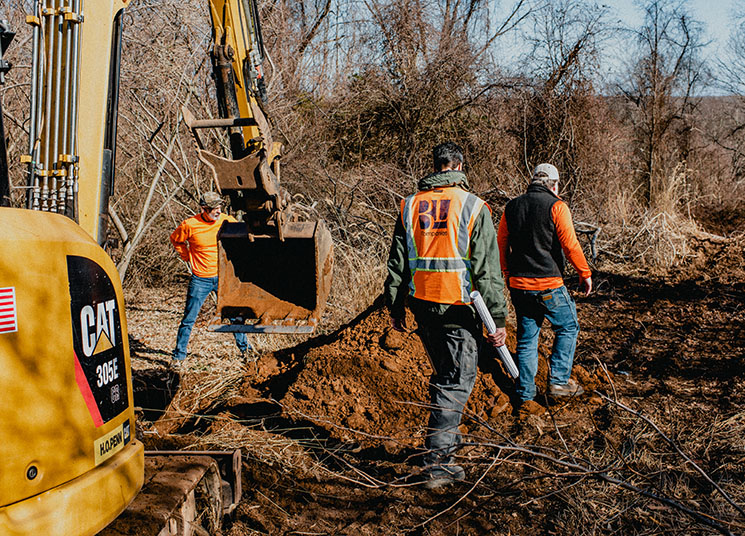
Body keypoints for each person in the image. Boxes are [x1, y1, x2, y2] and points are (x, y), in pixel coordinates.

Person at [385, 142, 508, 489]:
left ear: (436, 166)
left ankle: (446, 453)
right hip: (457, 309)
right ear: (457, 166)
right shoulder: (473, 206)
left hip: (423, 308)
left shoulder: (409, 205)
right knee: (454, 382)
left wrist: (395, 308)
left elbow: (397, 263)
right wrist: (496, 320)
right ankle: (438, 464)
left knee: (446, 376)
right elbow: (487, 270)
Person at [497, 163, 592, 407]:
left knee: (527, 340)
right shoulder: (557, 206)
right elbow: (570, 245)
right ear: (554, 185)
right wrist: (584, 272)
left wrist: (507, 272)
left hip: (519, 285)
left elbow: (501, 243)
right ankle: (559, 381)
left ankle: (526, 396)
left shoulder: (511, 206)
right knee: (568, 327)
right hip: (549, 284)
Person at [170, 191, 250, 368]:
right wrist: (188, 257)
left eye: (219, 207)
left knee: (235, 316)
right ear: (203, 209)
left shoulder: (226, 221)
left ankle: (246, 352)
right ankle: (179, 356)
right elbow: (176, 240)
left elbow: (243, 236)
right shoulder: (190, 225)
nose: (217, 211)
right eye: (214, 208)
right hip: (201, 279)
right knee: (189, 319)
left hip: (223, 278)